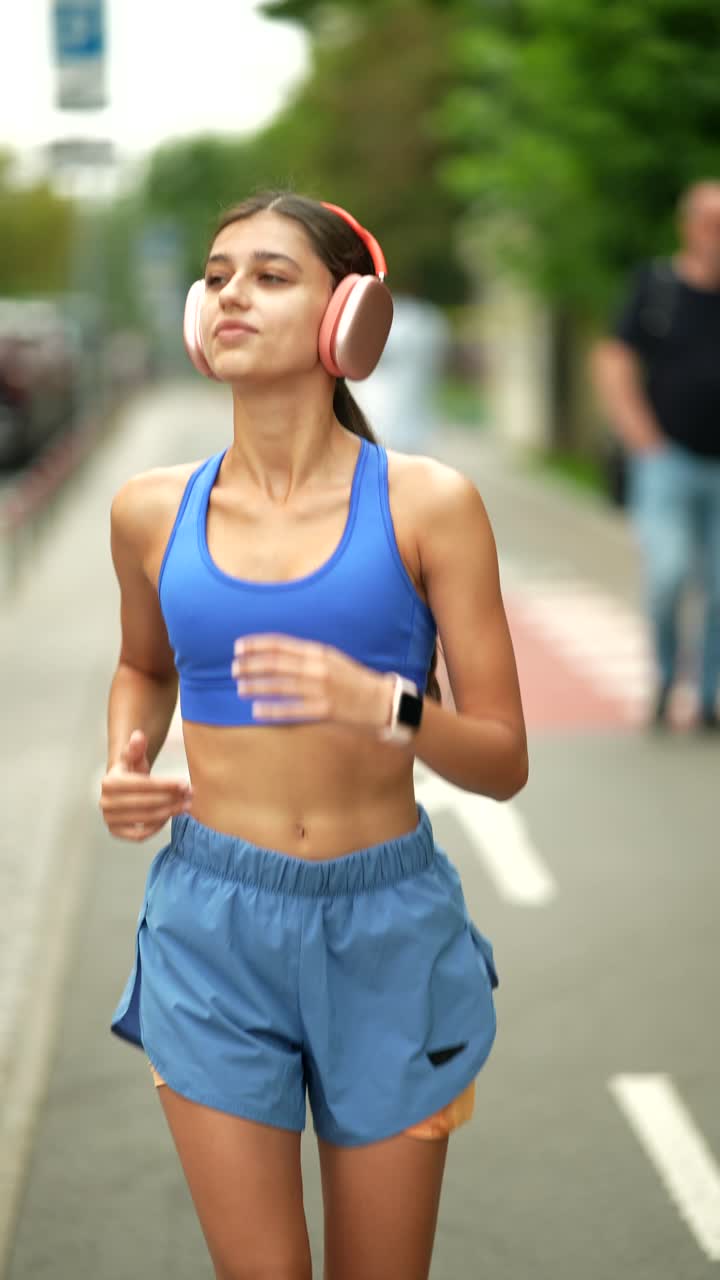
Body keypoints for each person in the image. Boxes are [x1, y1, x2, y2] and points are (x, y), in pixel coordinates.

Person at [101, 191, 528, 1280]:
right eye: (220, 272)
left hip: (389, 930)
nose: (232, 290)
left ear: (351, 319)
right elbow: (145, 667)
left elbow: (503, 755)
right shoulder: (151, 510)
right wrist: (127, 757)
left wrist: (380, 702)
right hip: (209, 929)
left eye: (271, 273)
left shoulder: (429, 505)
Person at [591, 180, 720, 731]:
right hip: (666, 459)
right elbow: (614, 356)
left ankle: (709, 695)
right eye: (709, 222)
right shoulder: (657, 286)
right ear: (688, 226)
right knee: (667, 573)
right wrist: (639, 432)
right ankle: (668, 678)